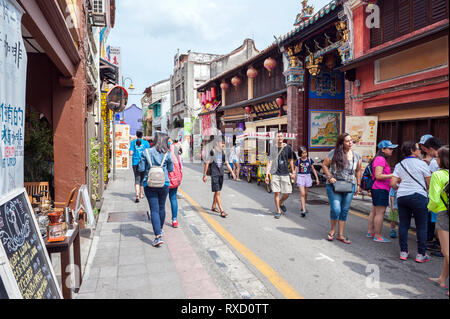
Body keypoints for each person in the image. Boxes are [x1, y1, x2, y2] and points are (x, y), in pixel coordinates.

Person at [390, 141, 432, 263]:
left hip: (402, 197)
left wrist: (401, 189)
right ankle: (421, 254)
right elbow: (429, 183)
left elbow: (393, 183)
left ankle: (403, 252)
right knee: (421, 226)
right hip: (419, 196)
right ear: (412, 151)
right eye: (418, 149)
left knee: (403, 224)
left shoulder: (399, 165)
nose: (420, 151)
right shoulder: (422, 164)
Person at [322, 133, 363, 244]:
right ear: (341, 143)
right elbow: (324, 165)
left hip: (349, 185)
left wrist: (358, 185)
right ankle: (332, 231)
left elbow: (358, 171)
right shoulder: (333, 153)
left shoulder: (356, 155)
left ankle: (340, 235)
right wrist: (330, 177)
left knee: (344, 210)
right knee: (336, 209)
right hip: (334, 185)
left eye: (351, 141)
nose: (350, 143)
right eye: (347, 141)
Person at [142, 132, 174, 247]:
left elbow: (141, 168)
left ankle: (158, 236)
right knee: (162, 207)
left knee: (154, 209)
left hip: (149, 183)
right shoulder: (168, 153)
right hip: (163, 183)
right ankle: (159, 229)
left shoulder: (146, 152)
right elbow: (170, 169)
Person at [427, 146, 449, 296]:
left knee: (446, 251)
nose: (436, 159)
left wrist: (430, 209)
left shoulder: (438, 175)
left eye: (437, 156)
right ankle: (442, 279)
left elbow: (434, 200)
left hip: (444, 213)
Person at [367, 140, 398, 243]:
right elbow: (378, 175)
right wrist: (393, 175)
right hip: (381, 189)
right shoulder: (380, 159)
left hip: (377, 189)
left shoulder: (379, 158)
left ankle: (371, 232)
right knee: (380, 212)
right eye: (389, 148)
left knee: (374, 211)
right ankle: (378, 235)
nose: (392, 150)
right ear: (382, 149)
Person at [203, 136, 236, 218]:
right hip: (214, 174)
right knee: (217, 192)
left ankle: (213, 207)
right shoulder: (212, 152)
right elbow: (207, 163)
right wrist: (204, 175)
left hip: (221, 174)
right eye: (222, 143)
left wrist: (232, 173)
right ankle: (222, 211)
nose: (223, 145)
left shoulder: (223, 153)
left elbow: (227, 163)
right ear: (217, 143)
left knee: (217, 191)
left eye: (224, 143)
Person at [265, 132, 296, 219]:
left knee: (287, 193)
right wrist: (267, 175)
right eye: (278, 136)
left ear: (283, 137)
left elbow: (291, 160)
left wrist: (293, 172)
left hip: (285, 173)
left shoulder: (288, 148)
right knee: (277, 193)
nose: (279, 138)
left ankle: (281, 202)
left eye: (281, 136)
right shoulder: (272, 148)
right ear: (275, 138)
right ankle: (278, 211)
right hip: (275, 173)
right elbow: (269, 162)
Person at [423, 137, 443, 255]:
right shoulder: (444, 156)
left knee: (440, 222)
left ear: (431, 149)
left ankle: (442, 246)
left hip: (438, 196)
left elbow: (429, 181)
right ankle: (438, 242)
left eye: (427, 151)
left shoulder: (435, 162)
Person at [294, 146, 319, 217]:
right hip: (300, 177)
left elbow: (313, 169)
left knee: (306, 194)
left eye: (305, 153)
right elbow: (295, 170)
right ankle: (304, 210)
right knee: (302, 193)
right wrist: (293, 175)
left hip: (308, 177)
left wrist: (317, 178)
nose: (305, 154)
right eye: (303, 153)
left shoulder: (309, 160)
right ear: (300, 154)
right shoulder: (298, 161)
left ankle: (303, 206)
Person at [129, 131, 150, 203]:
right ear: (142, 135)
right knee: (143, 179)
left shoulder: (133, 142)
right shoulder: (146, 143)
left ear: (136, 135)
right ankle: (141, 194)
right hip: (144, 163)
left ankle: (137, 195)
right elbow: (148, 153)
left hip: (135, 163)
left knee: (137, 179)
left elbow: (131, 153)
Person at [168, 138, 183, 228]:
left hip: (165, 178)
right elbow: (180, 164)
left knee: (161, 201)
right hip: (175, 178)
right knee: (173, 198)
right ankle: (174, 220)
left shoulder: (164, 149)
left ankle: (159, 220)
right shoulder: (177, 149)